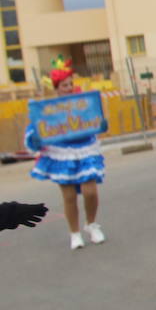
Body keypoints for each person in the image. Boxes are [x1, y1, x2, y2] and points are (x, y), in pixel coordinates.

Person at [26, 67, 106, 250]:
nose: (68, 88)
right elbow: (38, 126)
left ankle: (92, 224)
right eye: (64, 85)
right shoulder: (49, 108)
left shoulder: (83, 102)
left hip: (86, 148)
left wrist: (101, 122)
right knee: (69, 196)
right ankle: (75, 233)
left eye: (70, 84)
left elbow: (94, 118)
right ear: (57, 87)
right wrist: (35, 137)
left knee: (90, 192)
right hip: (61, 152)